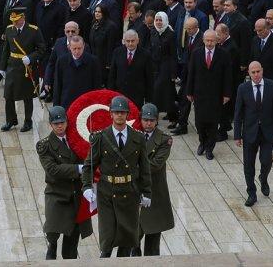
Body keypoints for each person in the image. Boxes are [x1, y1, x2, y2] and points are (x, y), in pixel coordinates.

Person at [82, 96, 152, 258]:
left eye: (122, 112)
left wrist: (146, 191)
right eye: (116, 112)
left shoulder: (138, 138)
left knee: (127, 240)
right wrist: (86, 186)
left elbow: (144, 167)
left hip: (129, 192)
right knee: (107, 240)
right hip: (107, 193)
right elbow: (89, 165)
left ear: (127, 115)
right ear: (110, 115)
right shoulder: (101, 138)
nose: (119, 115)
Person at [36, 106, 93, 260]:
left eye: (62, 122)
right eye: (56, 124)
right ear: (50, 125)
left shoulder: (77, 139)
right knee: (53, 231)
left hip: (76, 194)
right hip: (57, 193)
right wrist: (79, 168)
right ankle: (52, 247)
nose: (59, 126)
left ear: (67, 122)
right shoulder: (45, 145)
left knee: (72, 242)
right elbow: (53, 169)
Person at [234, 61, 273, 206]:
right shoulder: (243, 88)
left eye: (258, 71)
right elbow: (238, 114)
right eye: (253, 72)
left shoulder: (272, 86)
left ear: (262, 71)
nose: (256, 75)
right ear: (249, 74)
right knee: (248, 165)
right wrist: (237, 135)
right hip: (250, 133)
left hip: (268, 132)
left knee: (267, 160)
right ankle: (251, 192)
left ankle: (263, 178)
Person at [132, 103, 174, 257]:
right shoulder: (133, 136)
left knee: (153, 246)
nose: (148, 123)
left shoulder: (164, 140)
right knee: (132, 242)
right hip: (134, 195)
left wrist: (131, 168)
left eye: (151, 120)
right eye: (145, 120)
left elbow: (155, 165)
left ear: (156, 121)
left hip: (155, 195)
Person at [185, 29, 233, 160]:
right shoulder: (196, 53)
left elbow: (228, 76)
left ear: (217, 41)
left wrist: (227, 94)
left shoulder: (223, 54)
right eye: (207, 40)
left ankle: (209, 148)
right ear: (203, 40)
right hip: (199, 94)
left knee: (213, 123)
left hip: (216, 94)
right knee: (199, 122)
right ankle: (202, 142)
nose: (210, 43)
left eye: (212, 40)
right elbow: (191, 73)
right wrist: (189, 91)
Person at [0, 6, 46, 132]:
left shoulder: (33, 30)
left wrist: (31, 57)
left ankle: (28, 121)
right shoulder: (9, 29)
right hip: (12, 66)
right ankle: (11, 120)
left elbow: (42, 49)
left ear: (23, 17)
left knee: (27, 96)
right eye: (12, 20)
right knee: (8, 95)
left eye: (17, 19)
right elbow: (6, 49)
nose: (14, 22)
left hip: (27, 68)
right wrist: (2, 67)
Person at [53, 35, 102, 109]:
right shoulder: (62, 61)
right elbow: (58, 85)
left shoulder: (93, 61)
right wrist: (56, 107)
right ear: (69, 47)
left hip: (86, 102)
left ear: (84, 46)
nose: (77, 51)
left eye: (79, 48)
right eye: (74, 49)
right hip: (67, 102)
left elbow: (97, 84)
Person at [108, 30, 153, 107]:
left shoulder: (145, 55)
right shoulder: (117, 52)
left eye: (133, 41)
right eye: (128, 41)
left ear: (138, 40)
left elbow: (149, 78)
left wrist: (149, 99)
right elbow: (112, 74)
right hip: (120, 93)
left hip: (137, 95)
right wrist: (111, 94)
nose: (130, 43)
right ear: (124, 41)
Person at [149, 12, 177, 121]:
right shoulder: (153, 32)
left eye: (160, 20)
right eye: (157, 20)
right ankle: (167, 113)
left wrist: (174, 73)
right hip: (155, 65)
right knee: (157, 91)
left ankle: (173, 115)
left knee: (166, 91)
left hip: (166, 66)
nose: (158, 22)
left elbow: (173, 55)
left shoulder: (170, 34)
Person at [88, 5, 120, 80]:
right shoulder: (94, 24)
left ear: (104, 13)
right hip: (94, 58)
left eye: (99, 12)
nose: (97, 14)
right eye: (96, 11)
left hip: (104, 60)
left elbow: (111, 46)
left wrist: (108, 63)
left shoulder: (111, 26)